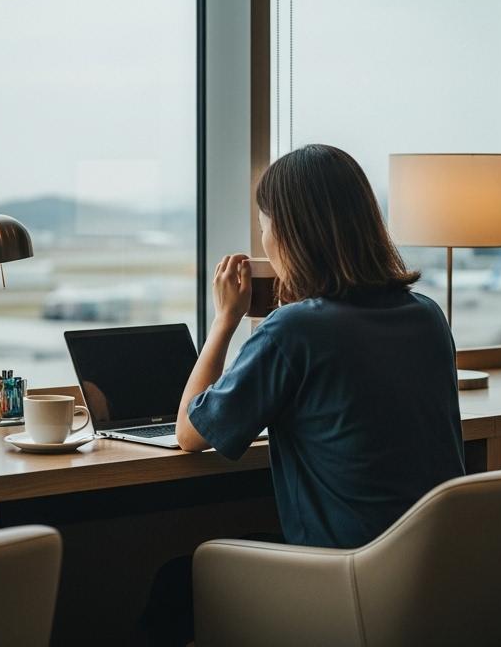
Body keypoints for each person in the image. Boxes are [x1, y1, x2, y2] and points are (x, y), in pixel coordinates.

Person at [176, 143, 466, 548]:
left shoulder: (294, 330)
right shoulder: (428, 314)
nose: (263, 239)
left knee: (175, 581)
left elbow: (190, 433)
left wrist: (224, 320)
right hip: (432, 567)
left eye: (264, 226)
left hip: (349, 574)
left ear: (287, 233)